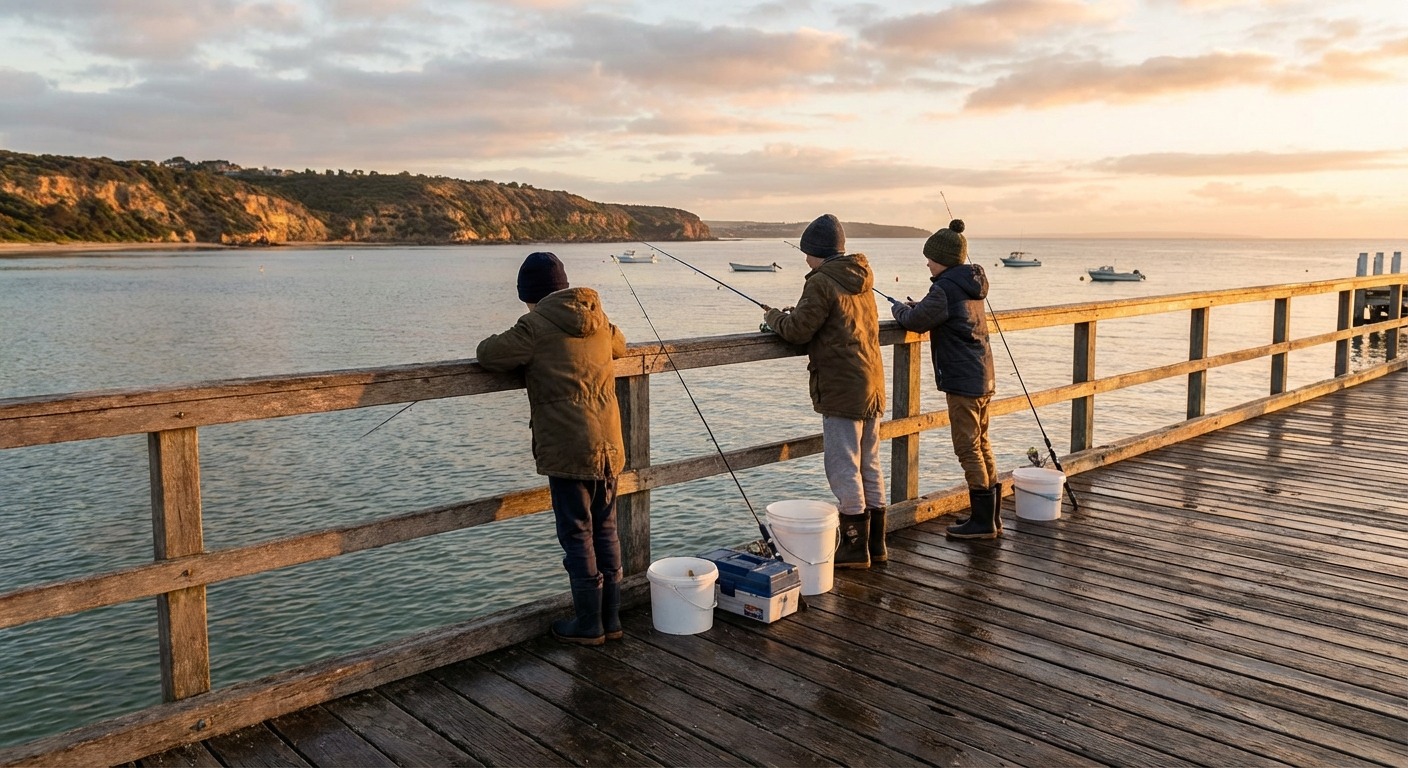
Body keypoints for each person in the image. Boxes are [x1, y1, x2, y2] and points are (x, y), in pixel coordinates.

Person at [476, 252, 628, 644]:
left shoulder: (534, 325)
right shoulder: (598, 319)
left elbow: (489, 354)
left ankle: (589, 625)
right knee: (606, 529)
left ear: (530, 295)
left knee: (578, 534)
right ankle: (611, 620)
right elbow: (622, 347)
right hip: (609, 444)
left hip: (567, 448)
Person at [762, 214, 887, 568]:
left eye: (807, 253)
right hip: (871, 382)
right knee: (870, 463)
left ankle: (853, 548)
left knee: (843, 465)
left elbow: (799, 330)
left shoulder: (821, 282)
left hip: (841, 386)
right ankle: (876, 545)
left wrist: (774, 318)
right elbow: (837, 322)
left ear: (817, 252)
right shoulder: (861, 279)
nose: (805, 259)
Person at [889, 219, 1000, 539]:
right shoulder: (968, 284)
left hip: (963, 381)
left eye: (930, 258)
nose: (927, 262)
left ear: (943, 259)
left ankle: (982, 523)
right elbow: (937, 312)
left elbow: (916, 321)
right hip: (982, 375)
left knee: (967, 447)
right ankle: (991, 517)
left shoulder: (944, 287)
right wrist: (921, 306)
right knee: (981, 443)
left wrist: (899, 308)